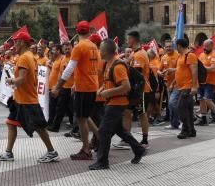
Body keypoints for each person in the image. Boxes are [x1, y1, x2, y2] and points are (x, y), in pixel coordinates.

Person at [0, 28, 59, 164]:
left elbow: (22, 79)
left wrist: (11, 80)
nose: (14, 45)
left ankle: (52, 152)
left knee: (40, 127)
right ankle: (8, 153)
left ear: (22, 43)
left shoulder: (24, 58)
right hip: (20, 100)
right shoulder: (30, 56)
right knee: (11, 124)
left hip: (27, 101)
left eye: (16, 42)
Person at [90, 39, 146, 170]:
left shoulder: (118, 66)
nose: (99, 52)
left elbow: (126, 87)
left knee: (103, 130)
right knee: (119, 130)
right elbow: (108, 81)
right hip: (112, 101)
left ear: (105, 51)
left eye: (100, 49)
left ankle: (102, 161)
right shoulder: (108, 64)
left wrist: (108, 92)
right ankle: (139, 150)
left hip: (117, 103)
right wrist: (102, 89)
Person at [51, 21, 100, 160]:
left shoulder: (79, 47)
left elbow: (68, 70)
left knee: (81, 119)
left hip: (83, 88)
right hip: (92, 86)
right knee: (84, 116)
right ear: (89, 32)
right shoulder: (94, 47)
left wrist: (57, 87)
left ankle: (86, 150)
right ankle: (99, 138)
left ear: (77, 32)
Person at [116, 30, 151, 150]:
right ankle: (126, 138)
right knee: (127, 112)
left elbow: (136, 75)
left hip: (139, 91)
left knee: (142, 114)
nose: (127, 41)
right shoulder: (135, 53)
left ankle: (145, 140)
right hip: (134, 91)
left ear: (133, 39)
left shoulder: (140, 54)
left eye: (128, 39)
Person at [174, 37, 199, 139]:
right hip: (182, 86)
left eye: (176, 46)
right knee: (187, 109)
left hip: (188, 86)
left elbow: (194, 71)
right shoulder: (181, 56)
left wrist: (194, 87)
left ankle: (185, 129)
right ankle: (191, 130)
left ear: (179, 46)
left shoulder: (190, 55)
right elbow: (181, 69)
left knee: (181, 108)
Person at [48, 42, 73, 132]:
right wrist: (57, 86)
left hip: (72, 88)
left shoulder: (73, 59)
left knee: (71, 110)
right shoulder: (63, 59)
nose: (67, 50)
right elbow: (60, 73)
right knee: (60, 107)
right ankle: (55, 127)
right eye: (65, 49)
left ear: (71, 48)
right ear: (62, 49)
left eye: (68, 48)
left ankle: (75, 129)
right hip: (63, 87)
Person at [197, 39, 215, 126]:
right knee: (201, 100)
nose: (204, 48)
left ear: (211, 46)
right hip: (201, 81)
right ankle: (203, 119)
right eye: (204, 46)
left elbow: (213, 68)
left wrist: (203, 68)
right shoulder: (201, 55)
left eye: (206, 46)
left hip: (210, 81)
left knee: (207, 100)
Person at [161, 42, 180, 130]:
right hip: (168, 85)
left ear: (173, 47)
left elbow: (181, 69)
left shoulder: (178, 55)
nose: (168, 48)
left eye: (170, 46)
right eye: (166, 47)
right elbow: (159, 69)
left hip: (177, 84)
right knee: (170, 104)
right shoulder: (164, 57)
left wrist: (173, 70)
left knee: (172, 103)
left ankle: (178, 122)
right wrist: (160, 73)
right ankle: (173, 124)